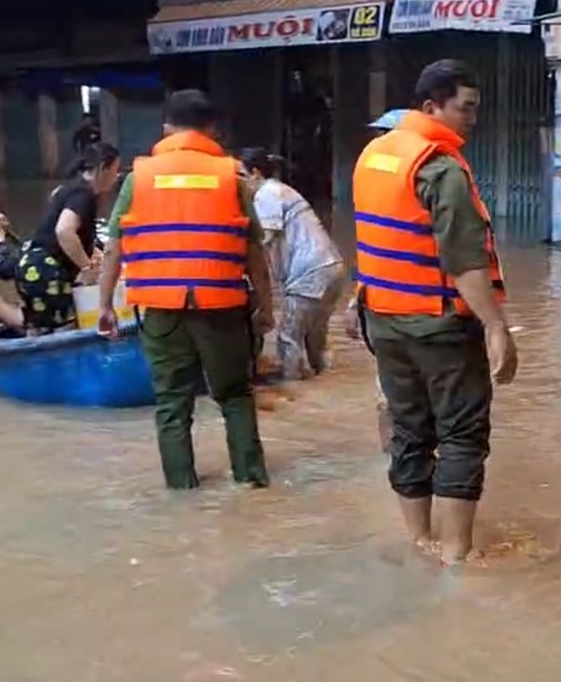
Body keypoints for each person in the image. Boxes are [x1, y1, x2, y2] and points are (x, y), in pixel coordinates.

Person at [352, 59, 519, 566]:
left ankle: (419, 540)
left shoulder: (375, 154)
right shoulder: (440, 168)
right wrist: (497, 328)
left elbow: (377, 236)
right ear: (431, 107)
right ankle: (455, 556)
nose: (473, 119)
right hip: (440, 325)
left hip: (383, 320)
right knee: (463, 434)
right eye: (465, 108)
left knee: (409, 430)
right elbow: (465, 260)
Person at [96, 89, 275, 490]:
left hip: (161, 309)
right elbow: (254, 253)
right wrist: (266, 306)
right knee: (234, 395)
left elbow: (113, 250)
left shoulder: (136, 179)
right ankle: (250, 481)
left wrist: (105, 305)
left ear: (165, 129)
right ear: (211, 129)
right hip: (222, 307)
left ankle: (181, 490)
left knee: (172, 403)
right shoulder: (232, 177)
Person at [0, 142, 120, 334]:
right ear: (103, 168)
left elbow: (77, 234)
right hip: (46, 271)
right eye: (115, 170)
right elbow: (64, 231)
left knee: (60, 322)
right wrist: (87, 268)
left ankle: (7, 313)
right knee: (57, 328)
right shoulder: (84, 195)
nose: (116, 177)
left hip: (40, 268)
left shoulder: (72, 190)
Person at [239, 147, 346, 380]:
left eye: (241, 176)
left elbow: (265, 239)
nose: (239, 182)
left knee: (288, 336)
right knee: (314, 337)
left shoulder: (267, 194)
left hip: (309, 273)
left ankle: (292, 383)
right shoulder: (283, 190)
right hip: (331, 268)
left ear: (255, 173)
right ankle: (321, 378)